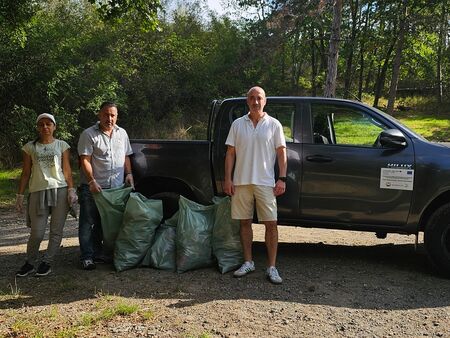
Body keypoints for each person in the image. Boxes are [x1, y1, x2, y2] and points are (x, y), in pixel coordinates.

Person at [224, 86, 287, 284]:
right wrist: (228, 178)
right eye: (252, 98)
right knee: (244, 223)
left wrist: (282, 178)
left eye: (259, 98)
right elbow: (230, 153)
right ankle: (248, 262)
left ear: (265, 101)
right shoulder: (237, 124)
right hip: (241, 182)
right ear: (247, 101)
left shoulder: (274, 124)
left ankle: (272, 267)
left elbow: (281, 153)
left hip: (266, 182)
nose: (255, 101)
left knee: (271, 224)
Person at [15, 113, 77, 277]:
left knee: (56, 231)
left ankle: (47, 262)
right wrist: (20, 195)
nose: (45, 127)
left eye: (48, 124)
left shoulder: (62, 145)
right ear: (37, 127)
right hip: (37, 190)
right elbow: (26, 172)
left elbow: (67, 170)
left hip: (60, 189)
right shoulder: (30, 147)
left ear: (54, 127)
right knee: (37, 232)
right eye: (41, 124)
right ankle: (29, 262)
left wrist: (71, 190)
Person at [77, 101, 134, 270]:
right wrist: (91, 181)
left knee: (105, 222)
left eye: (112, 115)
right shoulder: (88, 134)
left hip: (114, 188)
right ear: (99, 115)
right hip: (93, 187)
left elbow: (126, 156)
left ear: (117, 116)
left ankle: (99, 253)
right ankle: (87, 257)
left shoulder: (122, 133)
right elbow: (84, 160)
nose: (109, 118)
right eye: (106, 114)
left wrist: (129, 174)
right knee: (88, 222)